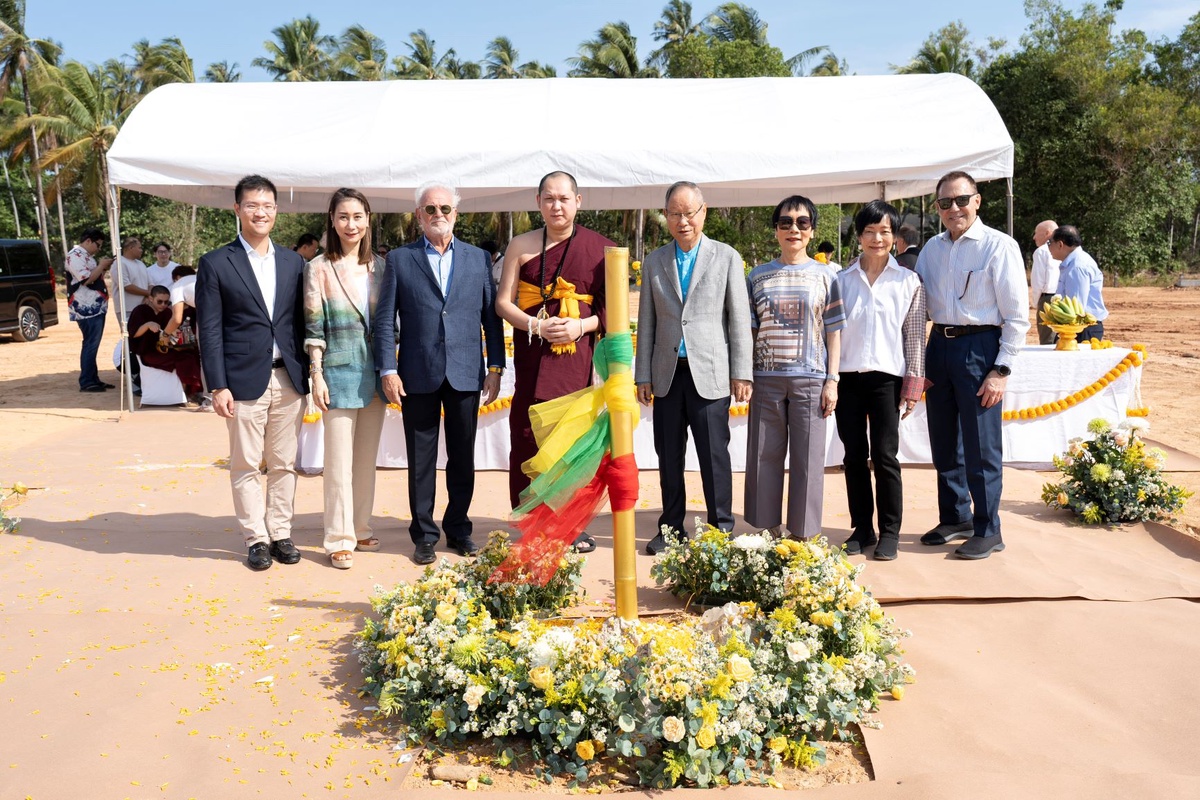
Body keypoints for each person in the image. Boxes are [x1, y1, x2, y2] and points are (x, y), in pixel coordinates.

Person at [373, 182, 504, 566]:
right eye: (430, 209)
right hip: (417, 373)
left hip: (466, 372)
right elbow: (385, 322)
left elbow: (490, 321)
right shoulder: (400, 259)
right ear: (418, 215)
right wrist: (388, 368)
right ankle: (424, 534)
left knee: (463, 456)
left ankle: (460, 529)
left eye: (445, 208)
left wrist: (495, 367)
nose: (438, 215)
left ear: (456, 214)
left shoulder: (478, 258)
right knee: (422, 458)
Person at [495, 171, 614, 552]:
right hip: (533, 355)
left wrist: (581, 326)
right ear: (538, 202)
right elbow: (503, 302)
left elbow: (610, 310)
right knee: (528, 436)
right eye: (549, 199)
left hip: (575, 362)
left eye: (564, 198)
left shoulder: (601, 250)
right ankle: (534, 520)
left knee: (570, 441)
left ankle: (569, 524)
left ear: (578, 201)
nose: (556, 206)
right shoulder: (522, 245)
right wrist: (535, 325)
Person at [196, 175, 309, 572]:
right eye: (252, 205)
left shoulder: (295, 263)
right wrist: (217, 385)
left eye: (267, 206)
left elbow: (300, 323)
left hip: (289, 378)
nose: (260, 212)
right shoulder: (215, 262)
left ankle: (280, 533)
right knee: (245, 465)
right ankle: (255, 538)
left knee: (284, 463)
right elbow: (208, 329)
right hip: (242, 381)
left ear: (276, 211)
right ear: (238, 210)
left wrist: (311, 374)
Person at [916, 170, 1029, 560]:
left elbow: (1017, 316)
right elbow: (916, 305)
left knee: (981, 446)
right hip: (939, 347)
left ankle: (988, 528)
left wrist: (1001, 369)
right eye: (946, 203)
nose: (954, 209)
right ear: (937, 208)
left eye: (962, 200)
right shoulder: (931, 249)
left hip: (981, 347)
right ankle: (955, 517)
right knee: (944, 441)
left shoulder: (999, 246)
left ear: (977, 201)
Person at [636, 181, 753, 555]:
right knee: (668, 456)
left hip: (711, 373)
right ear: (665, 217)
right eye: (674, 214)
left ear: (704, 211)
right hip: (667, 374)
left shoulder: (727, 257)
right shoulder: (655, 260)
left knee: (713, 456)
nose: (682, 221)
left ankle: (720, 529)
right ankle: (671, 528)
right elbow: (647, 322)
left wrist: (742, 372)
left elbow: (738, 319)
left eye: (689, 213)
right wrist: (643, 375)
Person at [744, 195, 844, 541]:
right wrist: (745, 374)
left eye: (802, 222)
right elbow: (751, 331)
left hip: (811, 380)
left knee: (808, 461)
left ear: (812, 230)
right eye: (785, 222)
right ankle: (764, 530)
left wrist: (832, 380)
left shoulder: (827, 276)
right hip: (766, 379)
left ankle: (803, 535)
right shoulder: (757, 276)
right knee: (762, 456)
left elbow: (834, 331)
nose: (794, 229)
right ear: (776, 230)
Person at [834, 200, 928, 560]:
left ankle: (890, 531)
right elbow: (833, 333)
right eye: (870, 231)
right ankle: (862, 529)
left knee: (886, 456)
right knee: (854, 456)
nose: (877, 238)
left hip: (887, 380)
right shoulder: (841, 281)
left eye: (885, 231)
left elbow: (915, 336)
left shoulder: (908, 282)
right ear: (859, 236)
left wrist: (913, 386)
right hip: (848, 379)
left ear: (894, 236)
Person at [304, 188, 388, 570]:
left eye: (357, 216)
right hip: (336, 372)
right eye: (343, 217)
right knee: (338, 461)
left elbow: (391, 324)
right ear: (332, 221)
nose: (350, 224)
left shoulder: (382, 267)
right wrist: (316, 373)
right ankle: (338, 537)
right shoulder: (319, 268)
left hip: (375, 374)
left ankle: (360, 524)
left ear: (367, 219)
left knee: (366, 459)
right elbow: (314, 326)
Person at [127, 286, 204, 404]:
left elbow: (172, 332)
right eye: (160, 301)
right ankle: (188, 392)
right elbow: (133, 334)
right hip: (148, 352)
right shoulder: (140, 310)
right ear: (150, 298)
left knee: (192, 353)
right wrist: (147, 325)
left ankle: (191, 390)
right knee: (185, 359)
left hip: (166, 348)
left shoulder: (168, 312)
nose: (163, 304)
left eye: (166, 302)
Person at [64, 227, 114, 392]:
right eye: (97, 245)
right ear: (88, 241)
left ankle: (92, 378)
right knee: (90, 344)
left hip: (94, 305)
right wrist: (101, 265)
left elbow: (93, 274)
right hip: (85, 306)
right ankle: (86, 381)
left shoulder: (85, 256)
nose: (98, 249)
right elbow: (86, 279)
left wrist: (103, 266)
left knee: (92, 344)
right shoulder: (75, 256)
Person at [1050, 225, 1108, 342]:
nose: (1049, 247)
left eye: (1050, 243)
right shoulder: (1073, 264)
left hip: (1081, 329)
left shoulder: (1077, 267)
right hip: (1077, 327)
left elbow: (1075, 309)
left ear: (1060, 244)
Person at [115, 236, 151, 394]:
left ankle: (144, 378)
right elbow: (127, 286)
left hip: (143, 307)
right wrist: (148, 293)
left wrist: (148, 296)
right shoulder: (119, 263)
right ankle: (134, 381)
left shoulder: (141, 264)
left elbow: (149, 283)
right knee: (131, 344)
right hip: (127, 309)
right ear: (130, 248)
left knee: (144, 342)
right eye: (139, 247)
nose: (141, 250)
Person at [1030, 220, 1061, 345]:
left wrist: (1037, 302)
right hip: (1064, 299)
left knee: (1047, 341)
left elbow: (1038, 281)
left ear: (1047, 233)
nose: (1034, 237)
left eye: (1037, 233)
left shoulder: (1041, 251)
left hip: (1048, 299)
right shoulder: (1064, 249)